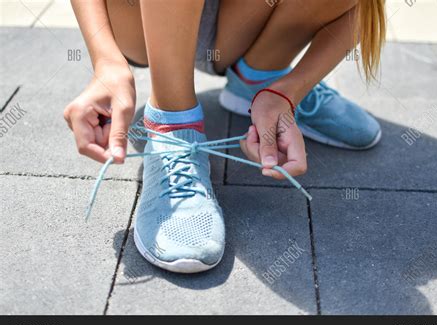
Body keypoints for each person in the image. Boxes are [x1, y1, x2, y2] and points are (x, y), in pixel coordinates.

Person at [64, 0, 386, 273]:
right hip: (143, 18)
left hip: (236, 25)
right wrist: (106, 61)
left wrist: (289, 91)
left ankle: (259, 78)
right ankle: (172, 121)